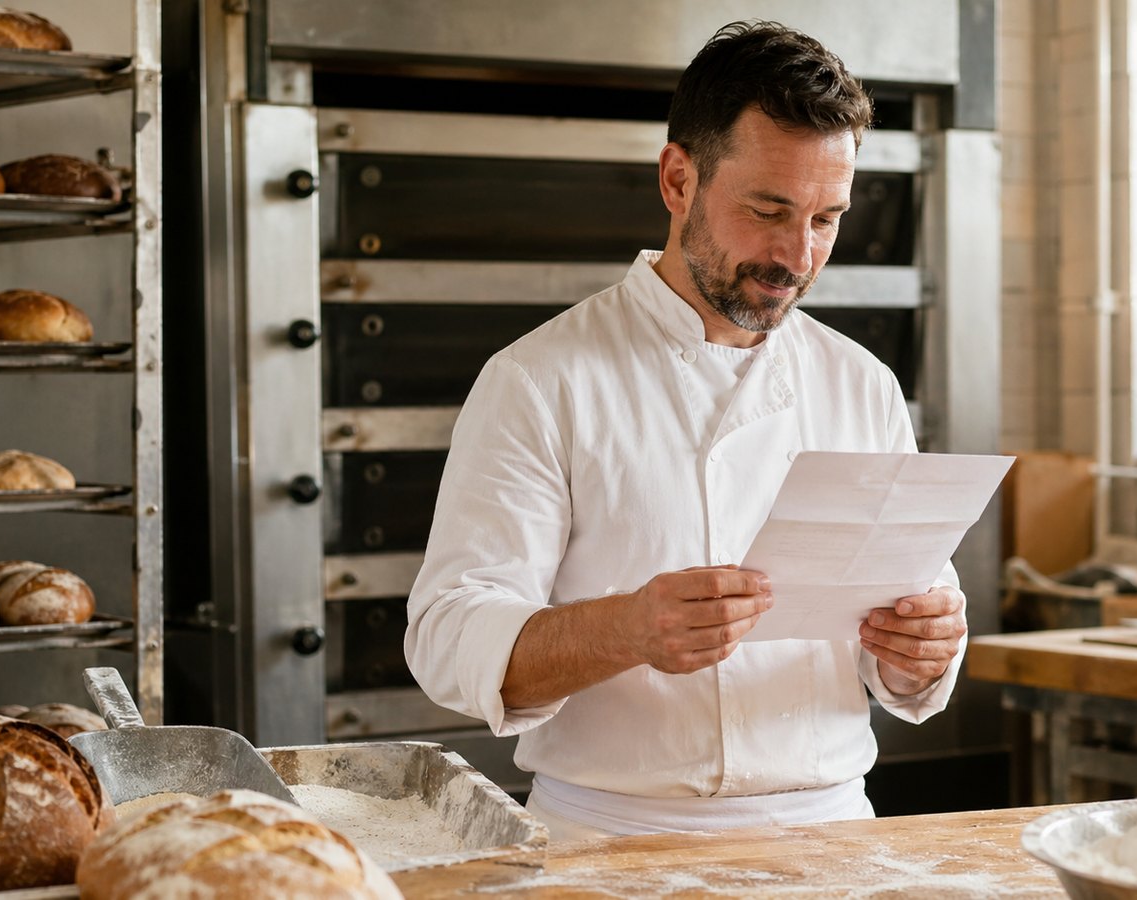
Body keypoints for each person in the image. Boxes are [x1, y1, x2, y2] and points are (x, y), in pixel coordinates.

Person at [404, 20, 967, 840]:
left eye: (826, 218)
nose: (797, 256)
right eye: (768, 209)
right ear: (678, 179)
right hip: (609, 844)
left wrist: (924, 645)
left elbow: (913, 621)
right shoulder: (540, 378)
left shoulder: (863, 385)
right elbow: (448, 635)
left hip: (833, 838)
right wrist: (624, 628)